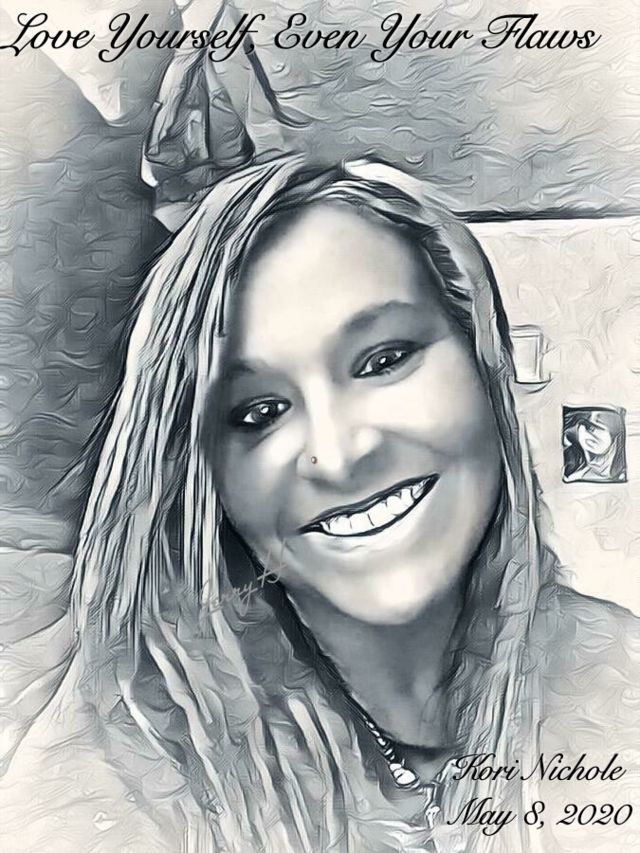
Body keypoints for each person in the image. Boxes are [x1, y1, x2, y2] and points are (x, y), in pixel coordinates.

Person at [1, 156, 638, 853]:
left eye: (383, 360)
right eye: (260, 412)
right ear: (203, 477)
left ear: (485, 361)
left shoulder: (617, 673)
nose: (336, 455)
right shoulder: (115, 776)